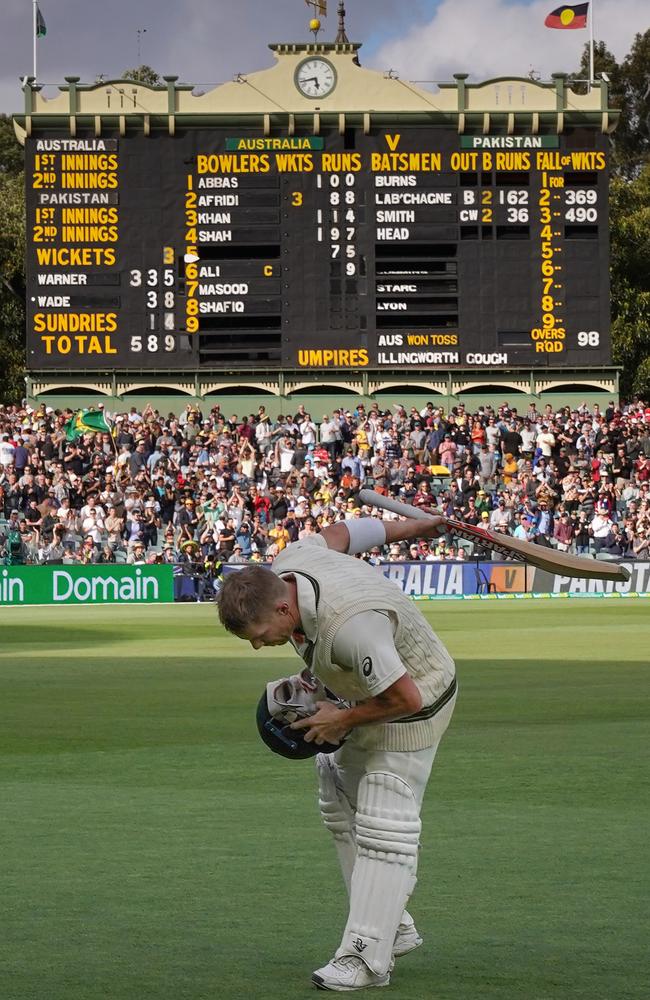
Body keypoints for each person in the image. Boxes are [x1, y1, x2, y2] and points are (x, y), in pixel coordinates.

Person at [217, 510, 457, 991]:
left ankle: (366, 958)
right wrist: (417, 526)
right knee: (335, 792)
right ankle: (395, 926)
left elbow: (405, 698)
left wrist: (342, 718)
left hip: (417, 702)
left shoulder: (352, 626)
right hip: (368, 694)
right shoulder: (293, 560)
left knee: (385, 819)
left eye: (261, 636)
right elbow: (346, 532)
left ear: (284, 611)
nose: (260, 648)